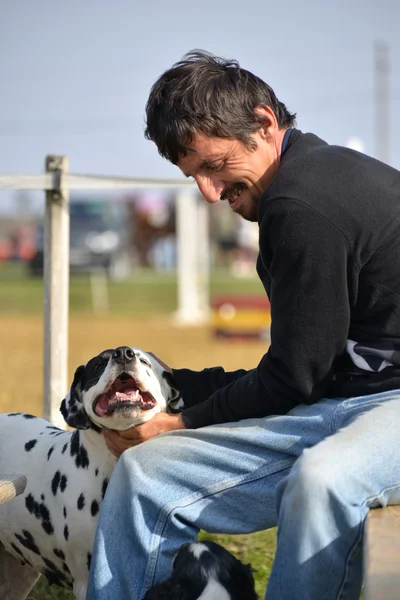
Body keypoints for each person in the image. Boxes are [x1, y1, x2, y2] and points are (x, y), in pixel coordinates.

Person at [86, 51, 400, 600]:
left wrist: (179, 424)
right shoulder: (294, 187)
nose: (209, 193)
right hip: (349, 399)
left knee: (323, 481)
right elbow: (307, 366)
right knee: (147, 475)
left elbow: (294, 379)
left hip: (384, 403)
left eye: (214, 165)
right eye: (194, 177)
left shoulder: (305, 201)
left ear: (263, 123)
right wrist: (167, 387)